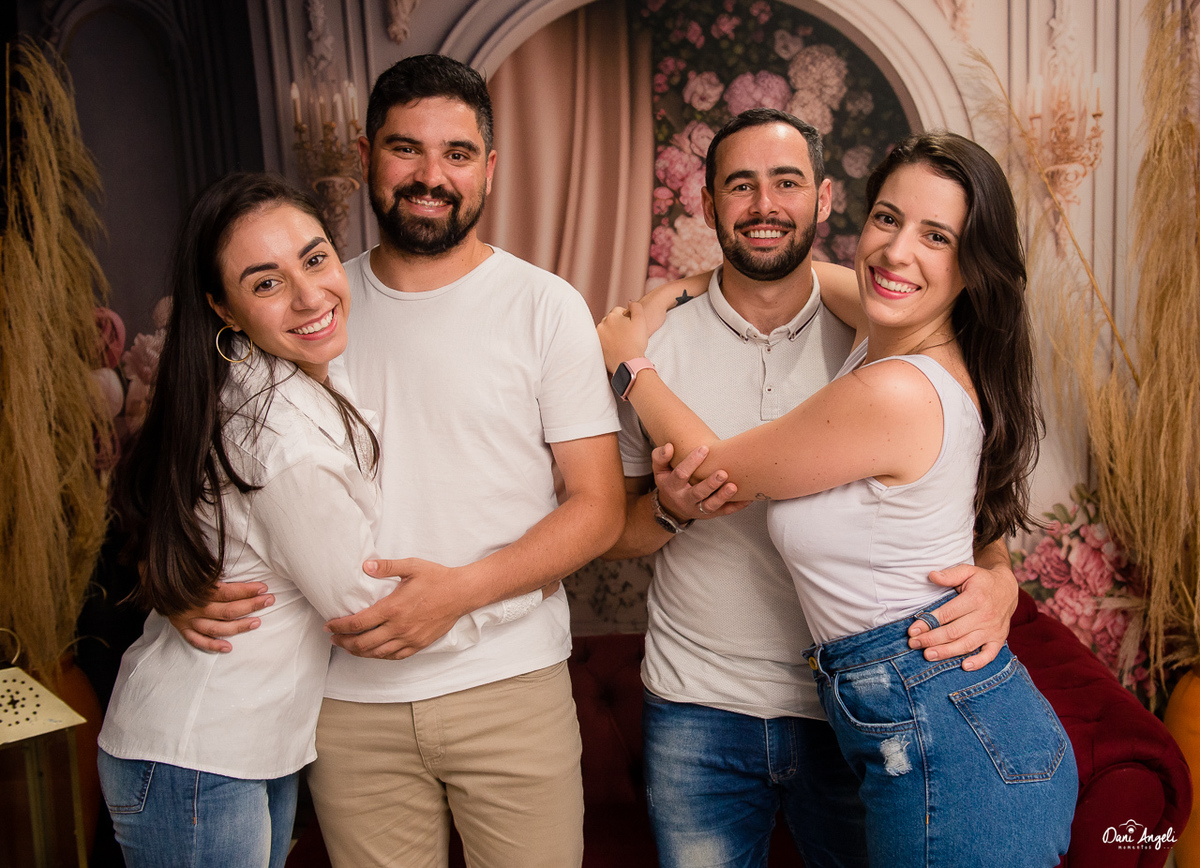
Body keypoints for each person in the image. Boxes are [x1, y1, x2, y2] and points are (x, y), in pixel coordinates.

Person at [174, 56, 625, 868]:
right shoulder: (308, 304)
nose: (431, 176)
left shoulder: (545, 306)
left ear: (489, 167)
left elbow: (599, 508)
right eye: (405, 148)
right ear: (365, 156)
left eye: (457, 153)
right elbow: (201, 466)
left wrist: (463, 591)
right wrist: (175, 586)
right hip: (346, 704)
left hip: (511, 687)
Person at [599, 130, 1077, 865]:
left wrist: (628, 364)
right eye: (887, 219)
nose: (898, 252)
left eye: (938, 236)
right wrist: (677, 292)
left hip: (919, 714)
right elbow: (813, 269)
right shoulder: (884, 328)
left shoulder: (893, 382)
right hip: (826, 703)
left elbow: (716, 472)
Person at [96, 174, 547, 867]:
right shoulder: (279, 436)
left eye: (314, 259)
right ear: (222, 307)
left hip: (243, 746)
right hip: (200, 754)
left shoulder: (282, 379)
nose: (310, 296)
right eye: (266, 283)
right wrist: (521, 587)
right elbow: (371, 617)